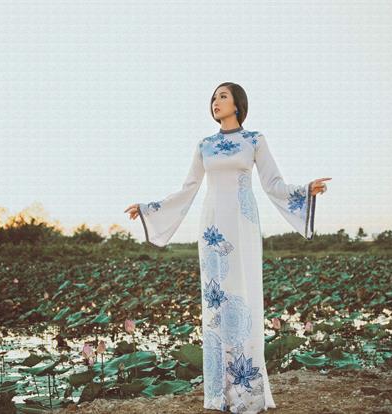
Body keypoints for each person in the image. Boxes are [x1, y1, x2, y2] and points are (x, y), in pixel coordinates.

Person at [124, 82, 330, 413]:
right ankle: (219, 393)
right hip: (212, 227)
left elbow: (273, 183)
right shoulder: (204, 145)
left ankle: (246, 392)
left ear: (237, 104)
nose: (215, 102)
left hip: (243, 222)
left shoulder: (255, 140)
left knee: (244, 293)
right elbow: (188, 188)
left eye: (223, 96)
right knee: (217, 300)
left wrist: (306, 190)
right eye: (213, 98)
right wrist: (148, 208)